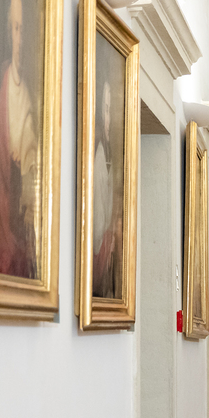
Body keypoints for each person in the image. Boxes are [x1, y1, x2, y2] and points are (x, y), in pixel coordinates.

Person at [0, 0, 39, 279]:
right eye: (14, 28)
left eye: (22, 29)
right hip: (5, 212)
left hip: (22, 214)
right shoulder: (2, 84)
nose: (18, 37)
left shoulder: (30, 93)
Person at [93, 80, 121, 298]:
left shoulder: (111, 155)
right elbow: (98, 221)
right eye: (106, 110)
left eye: (111, 110)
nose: (108, 119)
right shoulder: (100, 155)